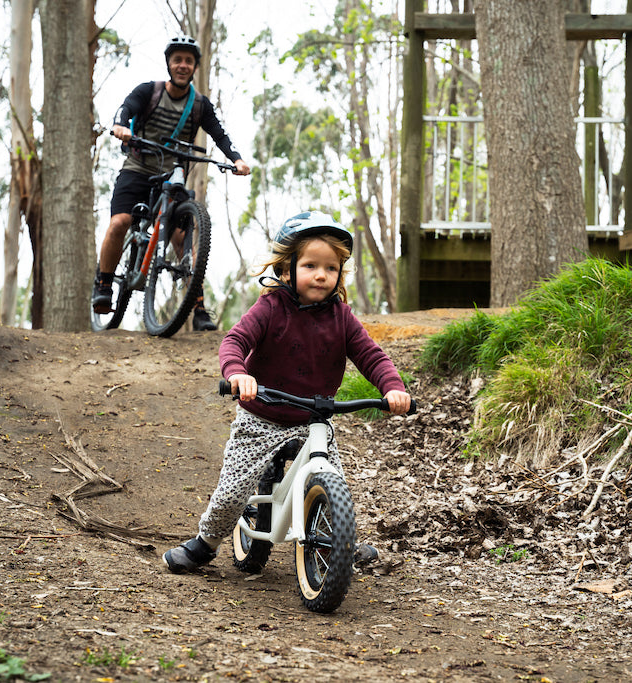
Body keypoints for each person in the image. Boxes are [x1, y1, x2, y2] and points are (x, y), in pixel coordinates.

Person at [162, 210, 412, 572]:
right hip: (261, 415)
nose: (322, 274)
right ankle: (207, 541)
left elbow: (371, 356)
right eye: (310, 265)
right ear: (286, 269)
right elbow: (235, 341)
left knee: (332, 483)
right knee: (234, 492)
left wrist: (392, 388)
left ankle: (339, 543)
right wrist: (238, 374)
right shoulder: (270, 308)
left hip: (314, 420)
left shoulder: (342, 317)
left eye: (331, 267)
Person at [93, 35, 251, 331]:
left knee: (182, 239)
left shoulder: (200, 106)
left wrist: (237, 159)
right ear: (169, 63)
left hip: (173, 175)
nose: (182, 65)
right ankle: (104, 283)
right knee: (120, 223)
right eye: (177, 59)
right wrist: (120, 126)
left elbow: (220, 135)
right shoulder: (148, 91)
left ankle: (198, 306)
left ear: (194, 68)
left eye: (188, 61)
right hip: (137, 168)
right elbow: (125, 110)